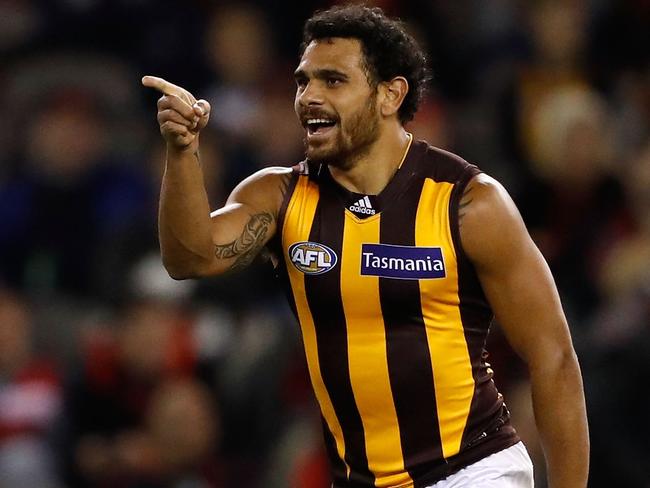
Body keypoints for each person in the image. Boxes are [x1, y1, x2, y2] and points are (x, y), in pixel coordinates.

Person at [142, 5, 588, 487]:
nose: (309, 97)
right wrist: (183, 151)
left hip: (472, 469)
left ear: (389, 95)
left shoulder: (469, 203)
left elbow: (553, 357)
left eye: (332, 81)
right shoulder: (279, 197)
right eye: (302, 81)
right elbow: (189, 258)